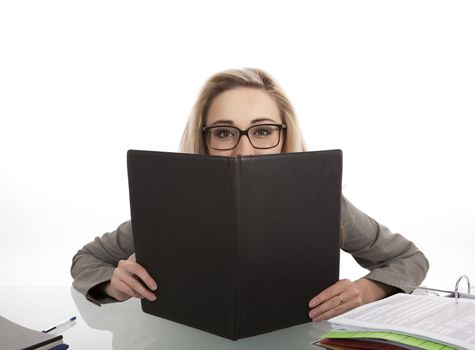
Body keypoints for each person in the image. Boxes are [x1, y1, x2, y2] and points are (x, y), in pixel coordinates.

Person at [71, 68, 429, 322]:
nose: (244, 149)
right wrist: (111, 284)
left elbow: (410, 259)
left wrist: (366, 291)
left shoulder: (325, 206)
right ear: (206, 140)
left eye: (262, 130)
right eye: (225, 133)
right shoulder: (171, 209)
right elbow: (86, 259)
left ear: (283, 135)